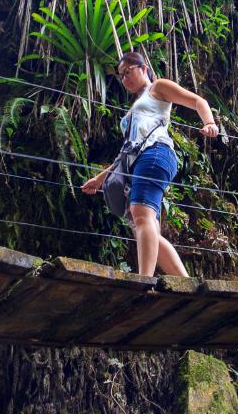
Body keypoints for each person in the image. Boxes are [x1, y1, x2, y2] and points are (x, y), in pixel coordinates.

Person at [82, 52, 219, 277]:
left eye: (129, 72)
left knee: (141, 214)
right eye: (121, 76)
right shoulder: (135, 107)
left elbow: (197, 101)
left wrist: (210, 123)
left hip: (156, 152)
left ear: (143, 68)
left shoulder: (157, 88)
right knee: (144, 228)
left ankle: (144, 280)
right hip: (138, 160)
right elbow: (126, 152)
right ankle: (184, 283)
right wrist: (99, 180)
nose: (125, 79)